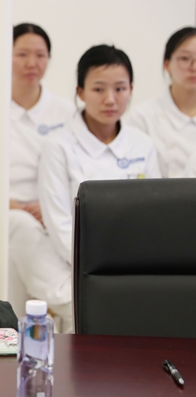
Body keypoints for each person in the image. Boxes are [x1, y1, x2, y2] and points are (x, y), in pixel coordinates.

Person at [36, 45, 161, 331]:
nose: (110, 99)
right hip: (77, 263)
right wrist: (98, 264)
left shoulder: (143, 145)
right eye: (98, 89)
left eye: (120, 88)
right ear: (80, 92)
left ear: (131, 89)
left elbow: (154, 216)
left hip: (135, 264)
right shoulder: (58, 146)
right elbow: (60, 223)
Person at [7, 23, 75, 324]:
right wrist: (19, 206)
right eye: (22, 54)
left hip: (56, 209)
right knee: (20, 226)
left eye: (40, 55)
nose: (32, 63)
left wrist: (49, 207)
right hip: (9, 212)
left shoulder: (66, 112)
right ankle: (71, 302)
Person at [130, 27, 196, 178]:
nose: (193, 67)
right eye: (185, 59)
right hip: (159, 194)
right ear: (167, 64)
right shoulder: (143, 117)